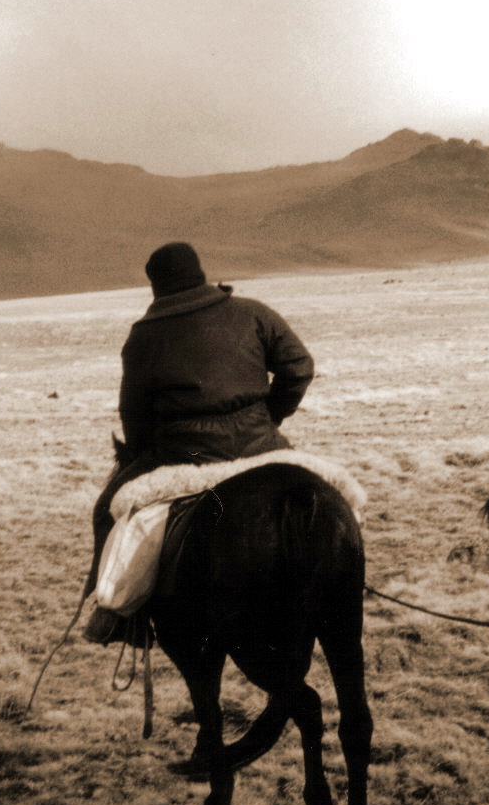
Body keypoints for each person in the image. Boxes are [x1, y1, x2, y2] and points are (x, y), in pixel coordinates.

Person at [81, 241, 315, 643]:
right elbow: (299, 368)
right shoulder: (254, 312)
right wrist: (269, 417)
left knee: (107, 509)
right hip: (261, 444)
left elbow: (133, 413)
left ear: (156, 284)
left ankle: (120, 617)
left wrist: (143, 452)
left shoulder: (145, 335)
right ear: (200, 272)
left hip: (182, 454)